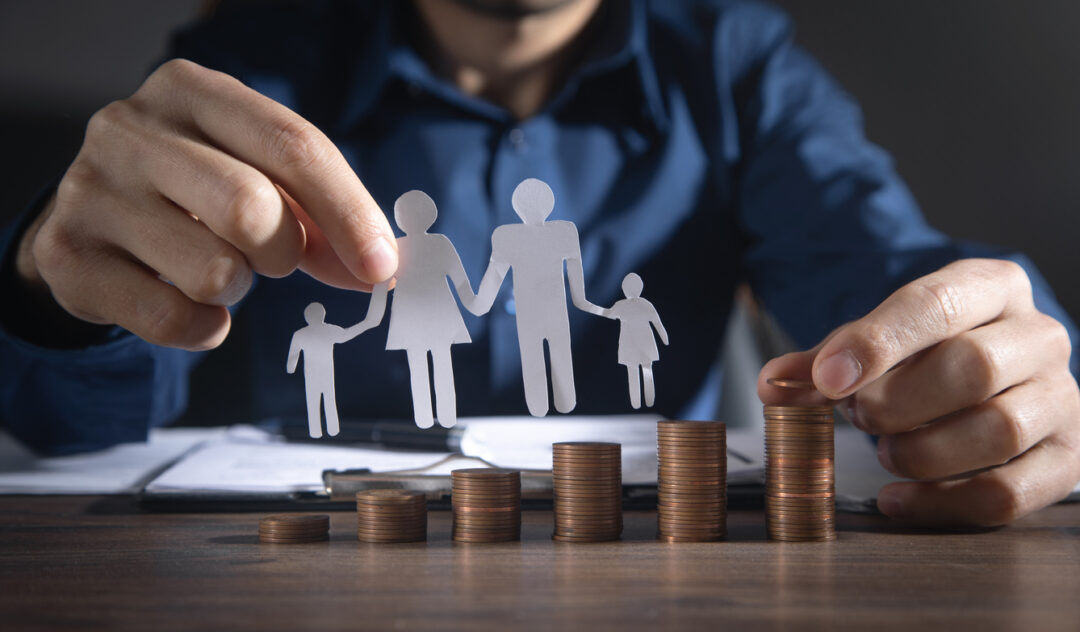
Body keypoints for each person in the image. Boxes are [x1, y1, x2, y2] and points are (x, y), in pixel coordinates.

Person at [0, 0, 1077, 527]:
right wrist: (56, 293)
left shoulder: (733, 63)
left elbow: (891, 283)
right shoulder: (255, 54)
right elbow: (82, 410)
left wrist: (997, 363)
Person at [470, 178, 604, 417]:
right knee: (550, 352)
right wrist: (581, 301)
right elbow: (575, 273)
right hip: (546, 307)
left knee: (542, 354)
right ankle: (554, 403)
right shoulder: (562, 232)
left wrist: (479, 303)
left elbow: (494, 275)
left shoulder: (517, 235)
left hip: (542, 307)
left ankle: (548, 404)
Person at [360, 190, 478, 429]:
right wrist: (478, 303)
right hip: (435, 315)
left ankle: (428, 417)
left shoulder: (397, 247)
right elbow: (462, 284)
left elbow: (381, 289)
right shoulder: (436, 243)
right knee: (440, 364)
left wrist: (371, 319)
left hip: (414, 317)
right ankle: (441, 415)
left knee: (419, 367)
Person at [286, 301, 372, 438]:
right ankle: (332, 429)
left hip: (313, 374)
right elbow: (347, 334)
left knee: (314, 401)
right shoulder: (327, 330)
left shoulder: (300, 334)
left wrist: (291, 368)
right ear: (323, 315)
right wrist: (366, 324)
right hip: (324, 373)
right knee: (329, 400)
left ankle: (316, 431)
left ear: (307, 317)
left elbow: (293, 354)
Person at [602, 273, 668, 410]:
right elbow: (658, 324)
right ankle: (646, 401)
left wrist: (590, 307)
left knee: (634, 374)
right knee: (646, 371)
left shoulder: (621, 305)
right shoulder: (646, 304)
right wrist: (664, 338)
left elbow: (607, 314)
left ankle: (637, 403)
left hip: (630, 344)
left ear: (624, 289)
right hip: (643, 343)